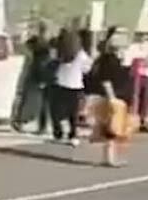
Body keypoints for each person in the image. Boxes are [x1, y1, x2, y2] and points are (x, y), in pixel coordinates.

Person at [87, 29, 134, 167]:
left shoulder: (113, 58)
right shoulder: (109, 60)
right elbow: (106, 80)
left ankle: (110, 157)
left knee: (113, 127)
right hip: (110, 96)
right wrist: (111, 97)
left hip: (115, 96)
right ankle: (110, 158)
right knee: (111, 128)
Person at [51, 27, 91, 146]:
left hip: (60, 84)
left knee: (56, 111)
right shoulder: (81, 54)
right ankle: (73, 135)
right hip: (75, 85)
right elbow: (87, 69)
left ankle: (58, 133)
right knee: (73, 113)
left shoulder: (61, 53)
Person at [14, 22, 55, 135]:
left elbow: (28, 47)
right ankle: (41, 126)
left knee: (29, 100)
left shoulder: (39, 43)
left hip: (36, 73)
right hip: (43, 74)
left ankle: (22, 121)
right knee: (42, 103)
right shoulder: (47, 44)